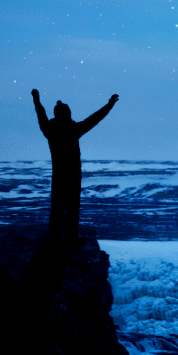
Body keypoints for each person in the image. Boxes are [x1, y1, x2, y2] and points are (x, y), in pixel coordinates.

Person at [31, 89, 118, 245]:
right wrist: (109, 105)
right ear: (67, 114)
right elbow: (95, 118)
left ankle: (55, 239)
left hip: (58, 175)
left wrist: (37, 100)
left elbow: (41, 114)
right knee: (72, 208)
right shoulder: (73, 129)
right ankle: (71, 239)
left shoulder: (50, 130)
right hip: (73, 175)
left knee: (57, 208)